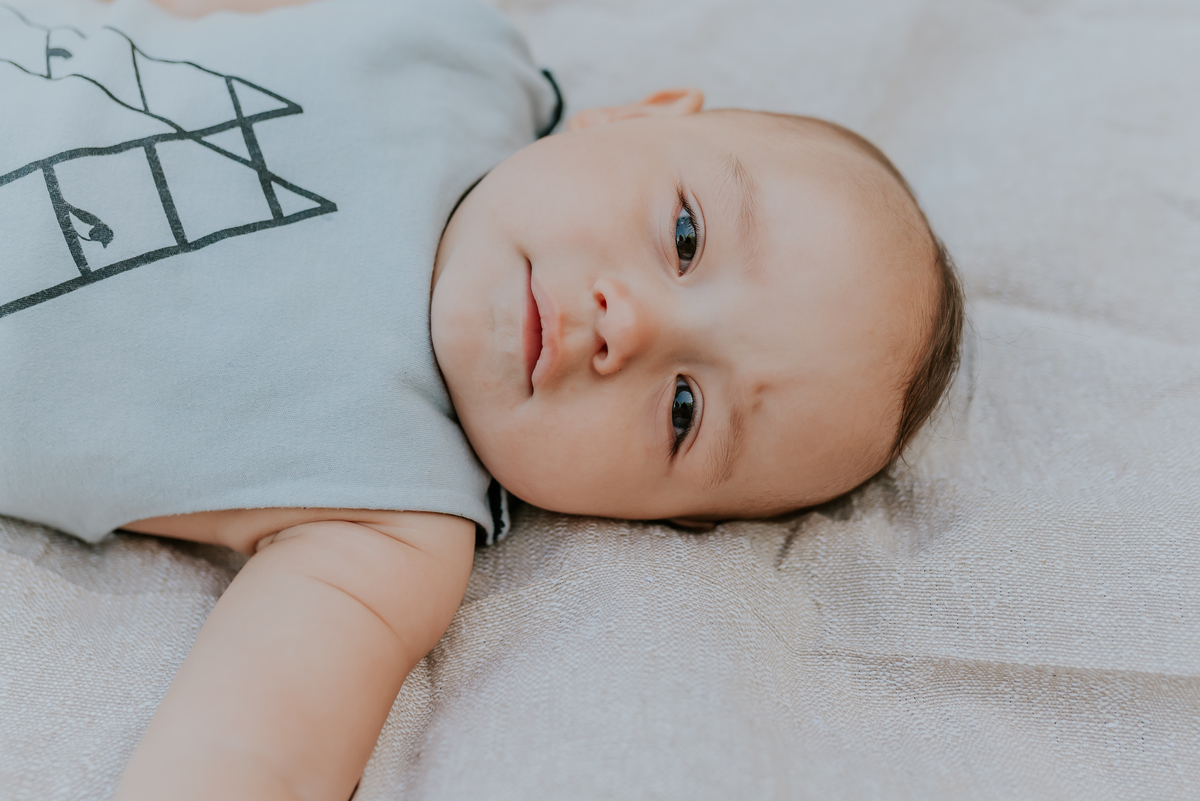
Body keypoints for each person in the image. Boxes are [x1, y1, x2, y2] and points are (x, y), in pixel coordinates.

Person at [0, 0, 964, 798]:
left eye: (683, 411)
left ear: (654, 520)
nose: (627, 327)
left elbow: (255, 755)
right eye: (684, 235)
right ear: (635, 117)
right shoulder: (455, 50)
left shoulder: (391, 527)